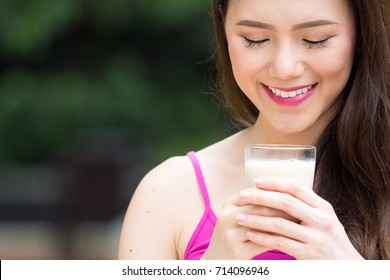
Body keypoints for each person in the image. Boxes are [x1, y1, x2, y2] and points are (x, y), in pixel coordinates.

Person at [117, 0, 390, 260]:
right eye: (255, 39)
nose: (284, 69)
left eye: (315, 39)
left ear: (362, 33)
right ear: (223, 28)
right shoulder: (167, 193)